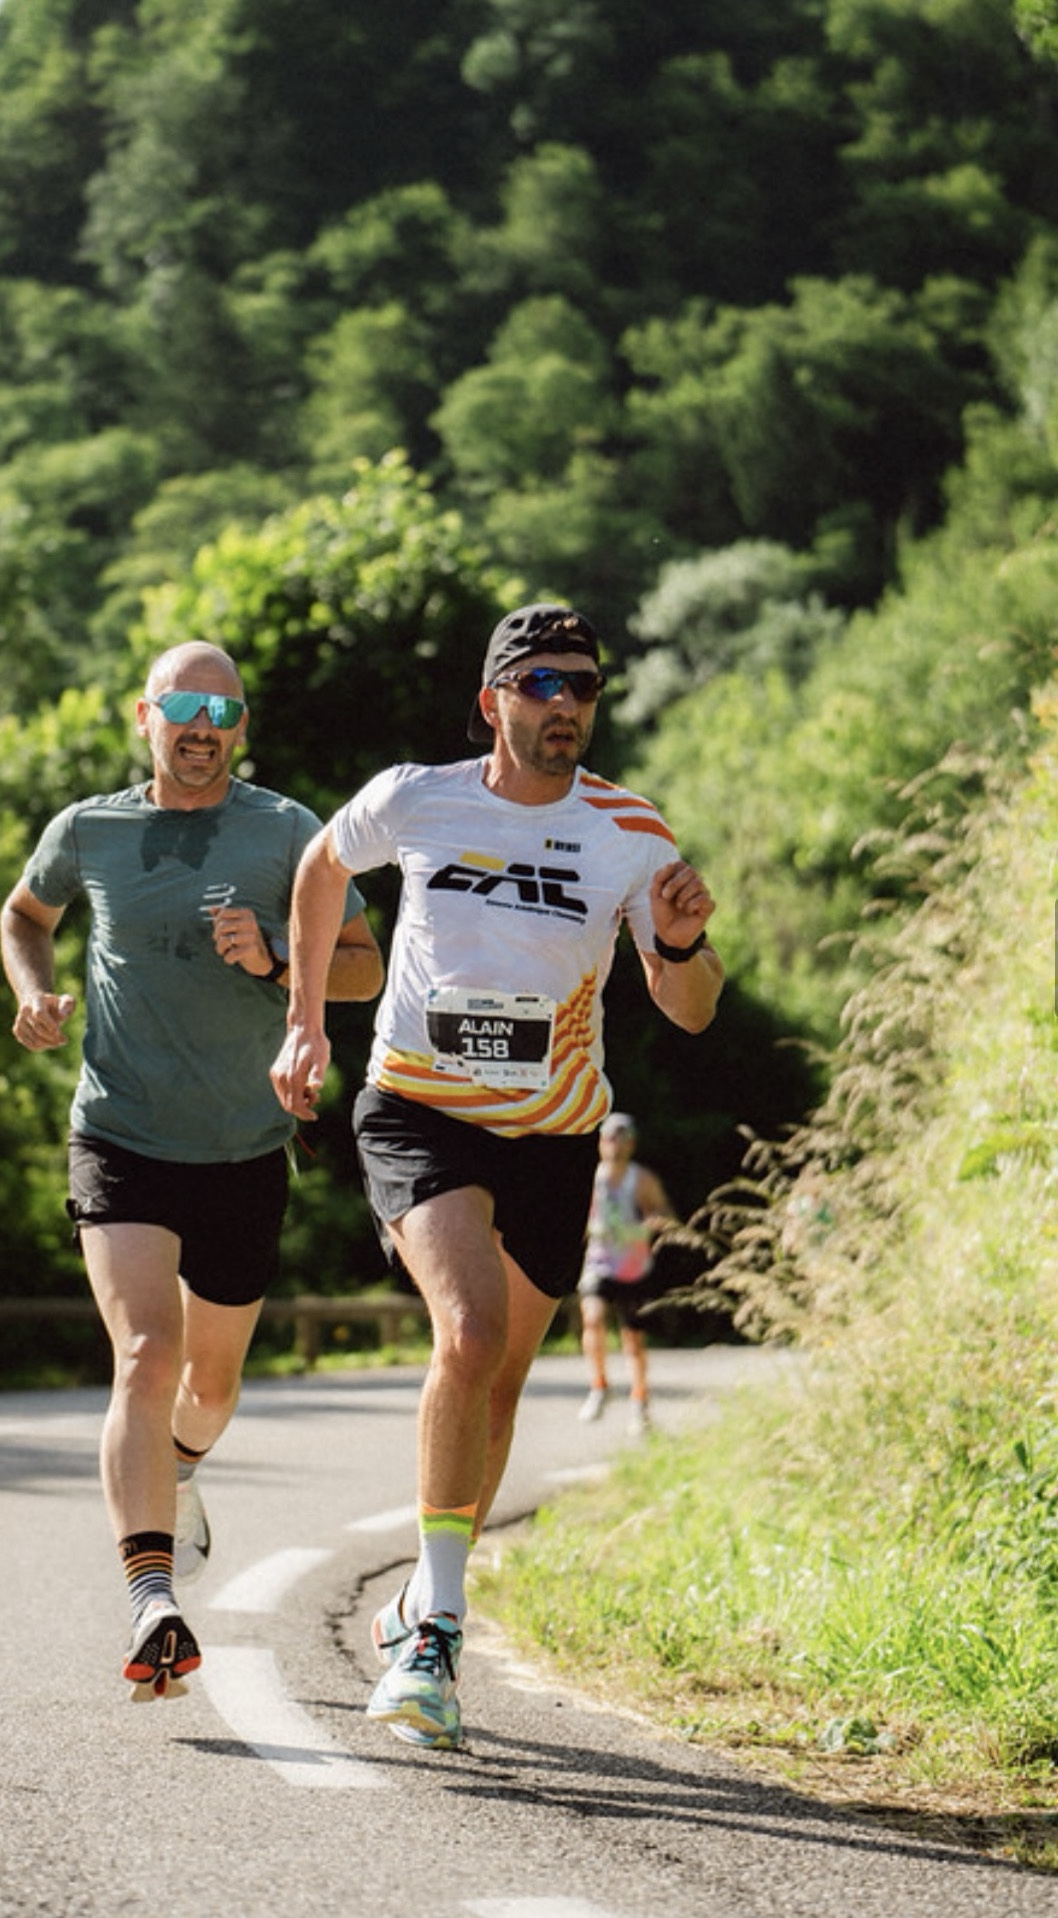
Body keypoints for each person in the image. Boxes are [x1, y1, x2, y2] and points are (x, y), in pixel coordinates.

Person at [271, 601, 724, 1752]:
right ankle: (437, 1636)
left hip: (554, 1136)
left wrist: (678, 942)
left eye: (584, 685)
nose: (566, 703)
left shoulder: (629, 830)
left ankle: (422, 1593)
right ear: (493, 701)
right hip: (419, 1111)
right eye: (542, 683)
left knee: (504, 1378)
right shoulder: (416, 797)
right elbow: (322, 865)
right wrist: (306, 1019)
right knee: (468, 1333)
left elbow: (689, 1006)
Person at [0, 641, 383, 1701]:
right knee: (144, 1353)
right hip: (119, 1132)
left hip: (244, 1148)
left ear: (241, 726)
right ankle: (151, 1597)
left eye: (223, 711)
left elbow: (364, 966)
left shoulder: (290, 833)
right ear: (147, 716)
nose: (203, 727)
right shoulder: (90, 829)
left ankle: (181, 1470)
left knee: (208, 1390)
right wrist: (31, 992)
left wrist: (274, 954)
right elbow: (24, 915)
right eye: (185, 708)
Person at [577, 1111, 676, 1434]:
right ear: (600, 1142)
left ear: (631, 1144)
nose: (614, 1145)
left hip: (634, 1269)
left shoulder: (641, 1179)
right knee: (592, 1319)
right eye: (609, 1138)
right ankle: (599, 1385)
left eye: (621, 1139)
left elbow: (665, 1214)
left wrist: (645, 1227)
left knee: (633, 1339)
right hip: (598, 1264)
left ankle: (639, 1402)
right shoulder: (590, 1178)